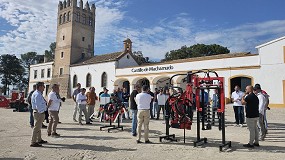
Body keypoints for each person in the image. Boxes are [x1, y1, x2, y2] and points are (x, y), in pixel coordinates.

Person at [30, 82, 48, 147]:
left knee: (38, 127)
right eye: (43, 86)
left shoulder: (37, 93)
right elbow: (38, 105)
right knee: (37, 127)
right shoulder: (37, 94)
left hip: (38, 112)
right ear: (40, 87)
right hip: (39, 112)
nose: (44, 88)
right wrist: (42, 112)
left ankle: (39, 139)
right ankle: (33, 142)